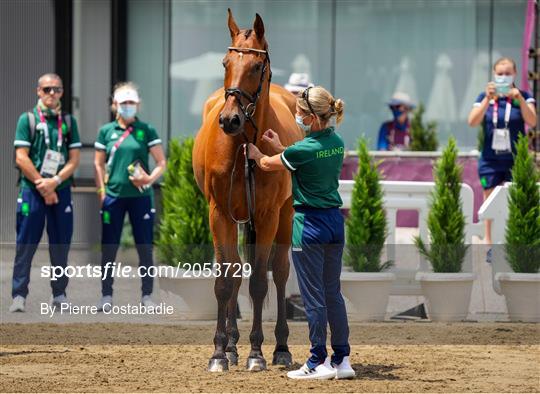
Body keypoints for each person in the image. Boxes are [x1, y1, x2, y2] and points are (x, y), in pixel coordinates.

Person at [247, 86, 355, 380]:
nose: (297, 117)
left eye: (300, 113)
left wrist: (258, 154)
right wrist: (283, 146)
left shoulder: (303, 149)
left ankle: (317, 360)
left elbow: (270, 165)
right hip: (334, 222)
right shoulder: (337, 141)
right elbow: (304, 158)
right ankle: (342, 360)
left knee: (313, 296)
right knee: (333, 294)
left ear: (313, 117)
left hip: (309, 225)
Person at [10, 73, 82, 312]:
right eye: (48, 89)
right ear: (38, 91)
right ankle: (19, 295)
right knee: (26, 244)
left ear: (62, 93)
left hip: (60, 190)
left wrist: (56, 181)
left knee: (60, 245)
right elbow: (21, 157)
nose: (52, 94)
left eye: (57, 89)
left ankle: (59, 294)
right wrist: (43, 183)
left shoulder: (69, 122)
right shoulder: (28, 119)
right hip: (32, 190)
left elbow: (74, 160)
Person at [94, 82, 166, 311]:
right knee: (109, 247)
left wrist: (149, 180)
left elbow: (161, 162)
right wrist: (101, 192)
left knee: (145, 248)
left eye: (131, 103)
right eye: (123, 103)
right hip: (113, 196)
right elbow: (98, 164)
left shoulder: (147, 130)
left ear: (138, 105)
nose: (128, 106)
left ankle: (147, 297)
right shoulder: (106, 131)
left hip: (141, 197)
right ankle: (106, 296)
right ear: (114, 105)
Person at [468, 57, 537, 262]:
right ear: (493, 74)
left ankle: (513, 243)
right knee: (489, 201)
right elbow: (472, 121)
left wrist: (520, 100)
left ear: (515, 75)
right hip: (490, 159)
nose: (504, 77)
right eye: (500, 73)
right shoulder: (485, 96)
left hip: (515, 159)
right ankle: (491, 246)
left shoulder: (524, 96)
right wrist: (486, 100)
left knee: (514, 201)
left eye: (508, 73)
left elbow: (532, 121)